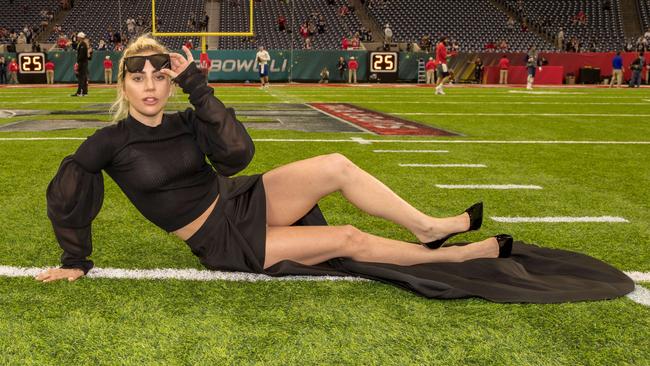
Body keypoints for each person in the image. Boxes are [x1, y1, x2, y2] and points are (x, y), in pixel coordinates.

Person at [34, 34, 635, 304]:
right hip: (218, 237)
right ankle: (452, 256)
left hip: (241, 196)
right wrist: (74, 262)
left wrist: (196, 84)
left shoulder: (189, 117)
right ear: (122, 82)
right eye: (137, 77)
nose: (149, 87)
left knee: (338, 163)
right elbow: (68, 197)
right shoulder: (109, 141)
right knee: (347, 238)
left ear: (169, 80)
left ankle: (427, 225)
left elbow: (239, 156)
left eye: (158, 77)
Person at [72, 32, 90, 96]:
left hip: (82, 63)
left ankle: (80, 92)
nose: (77, 38)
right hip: (83, 63)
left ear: (80, 37)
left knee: (81, 78)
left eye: (78, 37)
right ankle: (85, 92)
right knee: (84, 78)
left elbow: (81, 55)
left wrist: (78, 62)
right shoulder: (81, 44)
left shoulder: (83, 44)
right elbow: (74, 45)